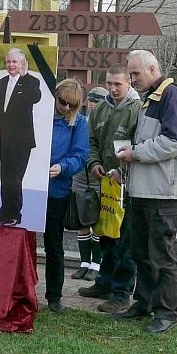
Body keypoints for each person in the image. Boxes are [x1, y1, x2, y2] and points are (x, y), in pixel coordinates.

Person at [115, 50, 177, 334]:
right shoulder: (153, 98)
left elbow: (175, 142)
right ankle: (144, 302)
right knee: (142, 252)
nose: (132, 79)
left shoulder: (170, 96)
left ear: (152, 69)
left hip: (164, 193)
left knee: (161, 255)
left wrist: (135, 154)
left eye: (135, 74)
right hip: (145, 191)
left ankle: (166, 313)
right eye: (130, 74)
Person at [78, 66, 140, 314]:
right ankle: (103, 283)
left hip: (128, 187)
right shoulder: (100, 108)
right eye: (110, 84)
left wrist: (121, 173)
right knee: (106, 235)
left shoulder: (138, 109)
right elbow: (90, 141)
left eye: (118, 84)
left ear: (129, 84)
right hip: (105, 185)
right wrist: (94, 163)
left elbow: (139, 146)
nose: (113, 89)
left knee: (124, 241)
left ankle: (122, 293)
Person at [44, 79, 89, 313]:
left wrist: (62, 167)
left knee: (54, 245)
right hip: (31, 189)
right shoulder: (41, 115)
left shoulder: (79, 123)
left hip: (57, 191)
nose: (66, 108)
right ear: (56, 96)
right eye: (63, 102)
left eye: (72, 105)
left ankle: (54, 297)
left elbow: (80, 155)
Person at [0, 47, 41, 226]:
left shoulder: (31, 81)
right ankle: (4, 212)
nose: (11, 65)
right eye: (9, 61)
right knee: (5, 175)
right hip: (7, 139)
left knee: (15, 177)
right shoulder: (1, 83)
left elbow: (35, 98)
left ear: (22, 63)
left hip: (23, 140)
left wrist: (25, 77)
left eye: (15, 62)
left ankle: (15, 214)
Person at [71, 85, 108, 282]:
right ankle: (84, 262)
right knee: (81, 221)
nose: (93, 104)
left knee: (98, 222)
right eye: (91, 100)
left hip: (98, 178)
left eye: (98, 100)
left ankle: (97, 263)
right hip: (79, 177)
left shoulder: (105, 122)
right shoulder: (79, 120)